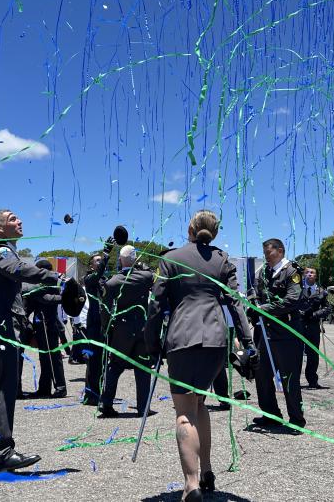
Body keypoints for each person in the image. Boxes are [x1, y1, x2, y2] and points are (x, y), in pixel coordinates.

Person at [144, 209, 255, 501]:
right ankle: (206, 470)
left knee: (184, 413)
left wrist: (151, 341)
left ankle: (191, 484)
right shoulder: (222, 260)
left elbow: (155, 304)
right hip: (217, 339)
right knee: (200, 404)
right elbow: (236, 303)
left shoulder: (171, 258)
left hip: (183, 337)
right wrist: (247, 341)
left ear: (190, 228)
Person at [0, 209, 60, 471]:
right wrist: (55, 277)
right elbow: (17, 270)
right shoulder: (0, 250)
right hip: (0, 331)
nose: (19, 220)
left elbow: (19, 281)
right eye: (12, 219)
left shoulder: (1, 249)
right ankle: (5, 450)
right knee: (4, 390)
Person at [249, 238, 306, 431]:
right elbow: (255, 293)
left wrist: (262, 308)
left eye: (269, 252)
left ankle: (296, 419)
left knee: (289, 376)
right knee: (262, 374)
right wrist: (251, 303)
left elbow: (292, 299)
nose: (266, 256)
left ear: (280, 251)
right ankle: (271, 415)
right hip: (266, 332)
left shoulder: (292, 271)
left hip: (287, 331)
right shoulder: (264, 271)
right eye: (264, 253)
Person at [98, 245, 154, 416]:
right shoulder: (146, 277)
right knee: (143, 368)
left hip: (121, 328)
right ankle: (143, 407)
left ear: (120, 260)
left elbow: (105, 309)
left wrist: (107, 327)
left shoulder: (113, 281)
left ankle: (106, 403)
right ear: (135, 258)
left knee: (114, 366)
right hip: (142, 327)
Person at [21, 259, 67, 398]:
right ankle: (44, 388)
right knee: (45, 359)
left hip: (47, 325)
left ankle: (60, 388)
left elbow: (46, 298)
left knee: (52, 358)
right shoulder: (48, 283)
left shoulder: (47, 284)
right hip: (44, 325)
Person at [82, 253, 110, 405]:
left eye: (101, 260)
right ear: (91, 265)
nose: (100, 263)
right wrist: (106, 257)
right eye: (97, 261)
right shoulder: (89, 279)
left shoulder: (104, 280)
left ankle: (100, 391)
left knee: (103, 360)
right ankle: (91, 394)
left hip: (105, 323)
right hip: (94, 323)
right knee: (93, 361)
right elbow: (98, 273)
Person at [300, 267, 331, 388]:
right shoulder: (297, 289)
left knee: (313, 355)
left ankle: (312, 380)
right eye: (307, 272)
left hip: (313, 326)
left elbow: (327, 308)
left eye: (312, 273)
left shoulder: (321, 291)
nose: (309, 274)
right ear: (303, 275)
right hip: (299, 326)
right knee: (296, 354)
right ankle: (294, 380)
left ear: (316, 276)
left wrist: (314, 315)